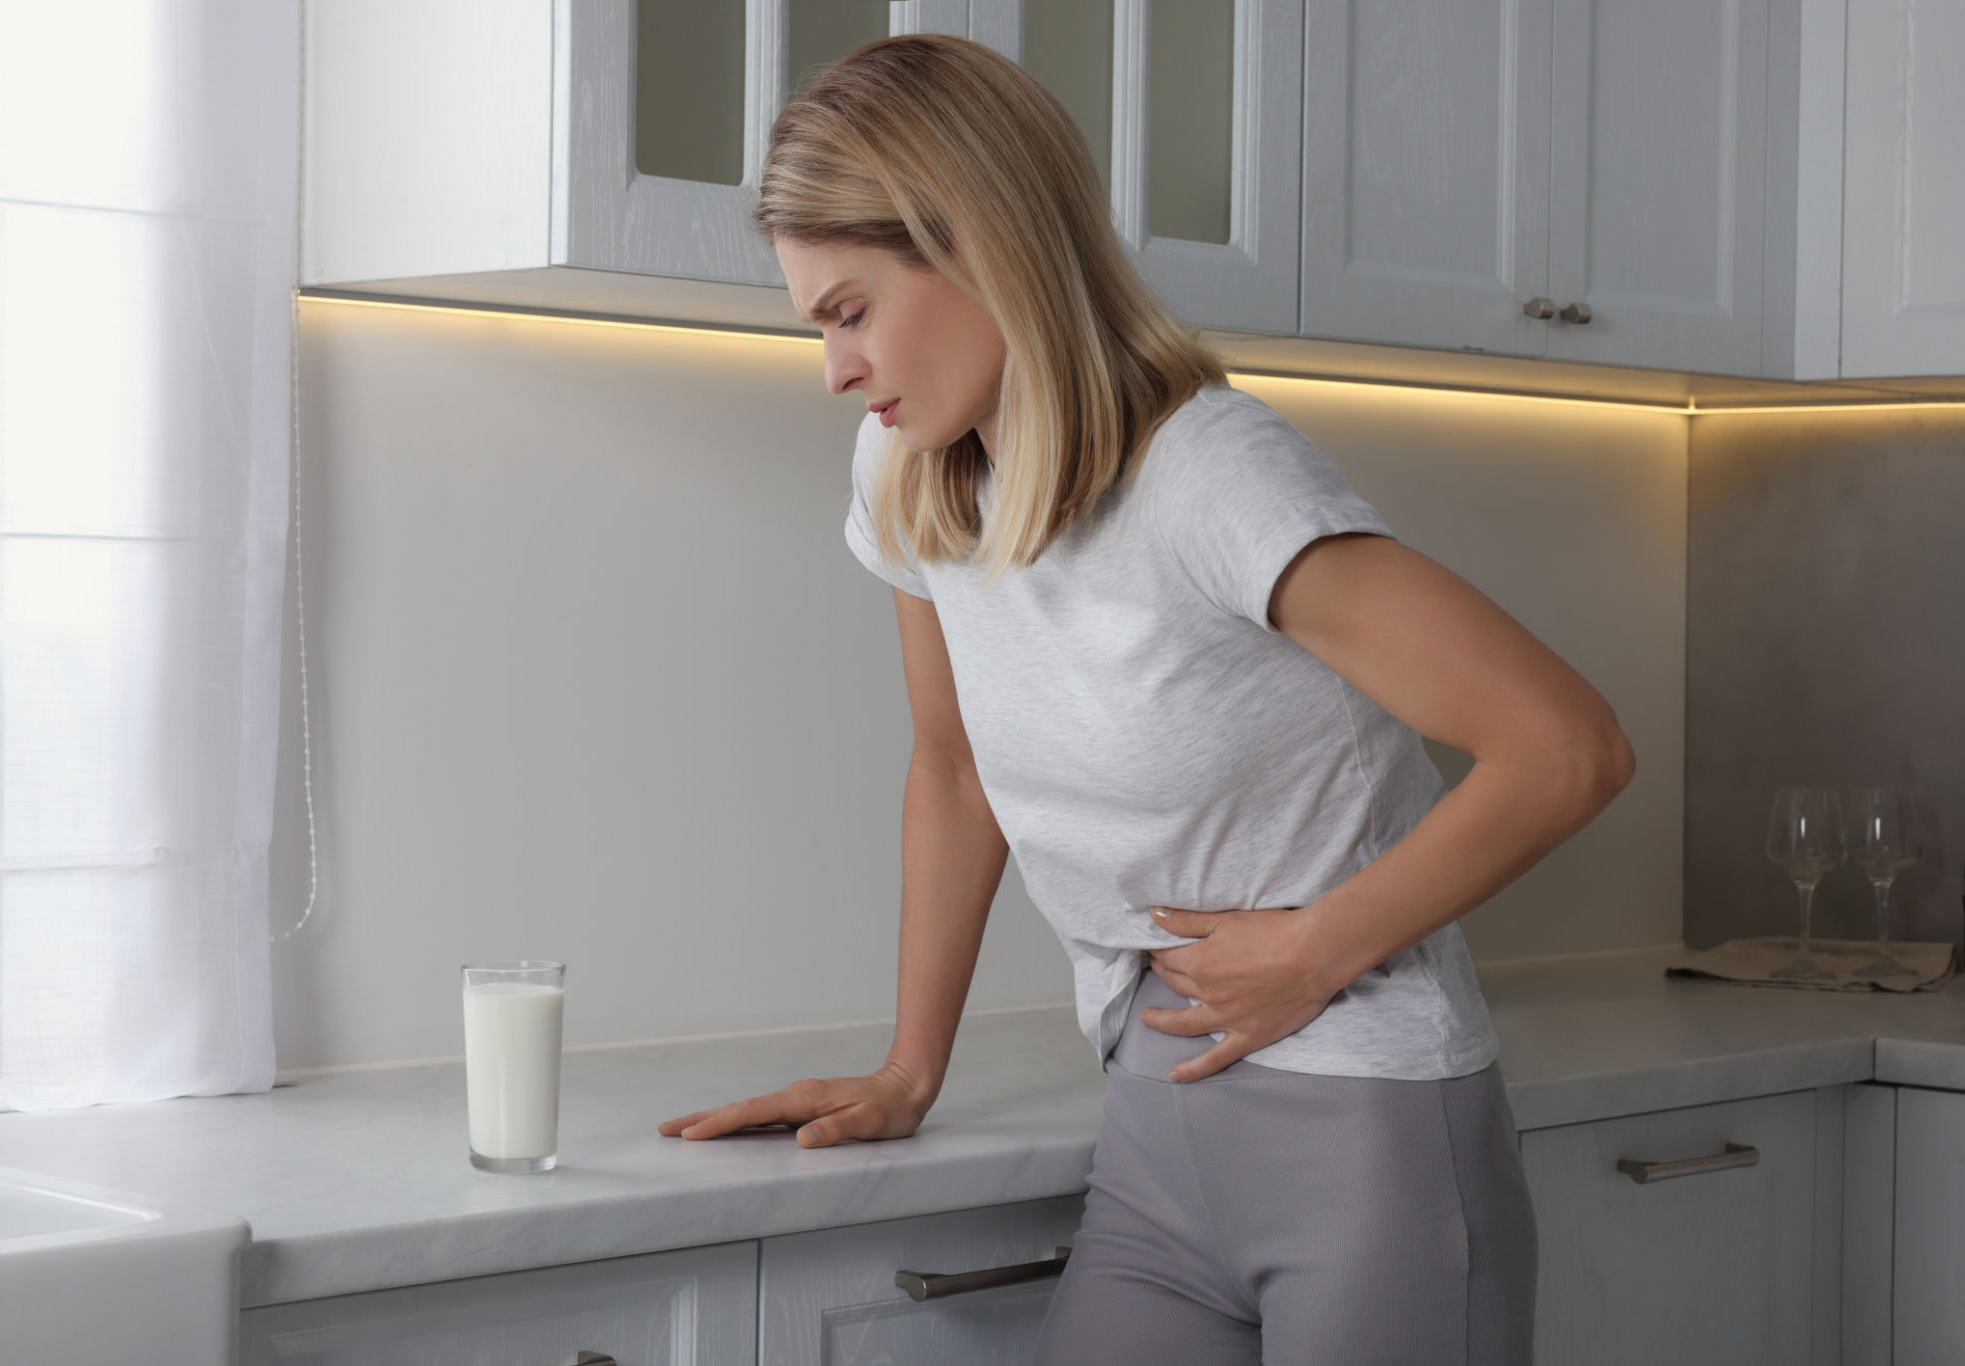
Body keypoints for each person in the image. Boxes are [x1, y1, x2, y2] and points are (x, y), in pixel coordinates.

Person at [656, 33, 1634, 1365]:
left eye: (850, 311)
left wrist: (1316, 947)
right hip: (1157, 1146)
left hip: (1370, 1144)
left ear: (981, 244)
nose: (835, 368)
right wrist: (908, 1067)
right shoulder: (909, 473)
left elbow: (1565, 745)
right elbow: (951, 771)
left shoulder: (1210, 476)